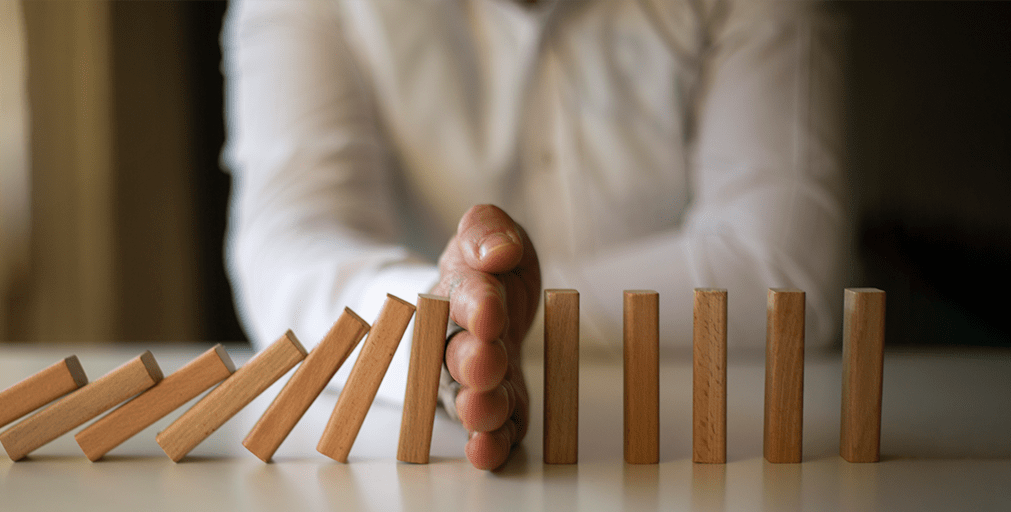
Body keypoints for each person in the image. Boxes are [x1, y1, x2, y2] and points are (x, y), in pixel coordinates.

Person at [222, 0, 847, 470]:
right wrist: (445, 323)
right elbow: (288, 246)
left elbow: (784, 270)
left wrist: (478, 319)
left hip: (694, 459)